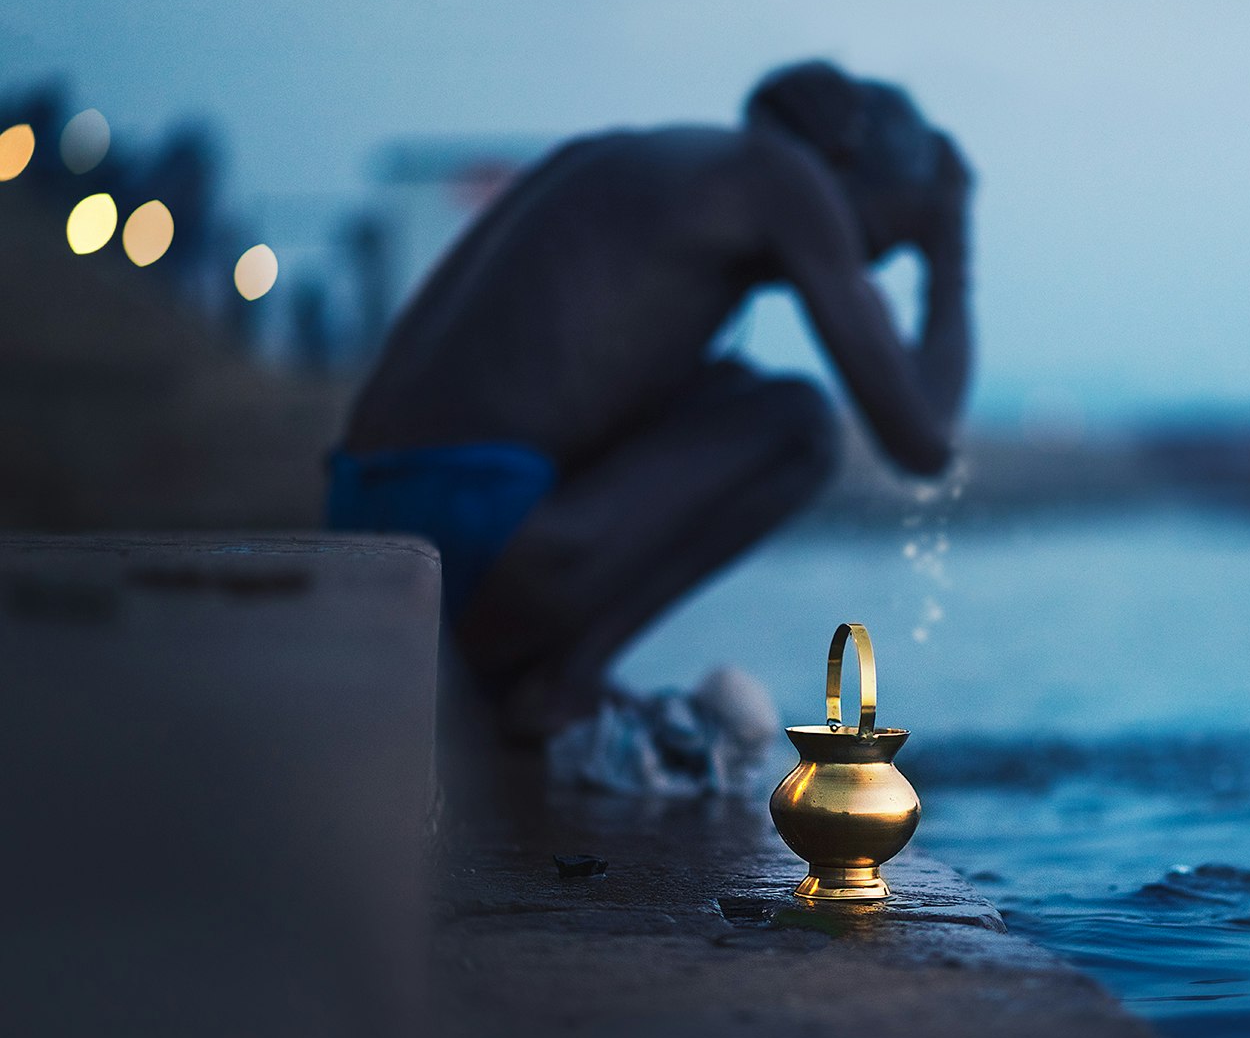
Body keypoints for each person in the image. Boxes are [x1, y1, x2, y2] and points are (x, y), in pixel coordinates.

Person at [328, 60, 973, 788]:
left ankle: (525, 678)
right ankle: (555, 688)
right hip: (470, 523)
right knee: (797, 424)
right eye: (879, 242)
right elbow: (922, 440)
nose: (859, 265)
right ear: (849, 166)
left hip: (366, 526)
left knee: (720, 390)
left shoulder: (633, 158)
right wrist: (949, 242)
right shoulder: (786, 178)